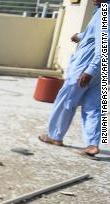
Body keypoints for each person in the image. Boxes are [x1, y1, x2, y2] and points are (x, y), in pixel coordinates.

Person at [39, 0, 106, 157]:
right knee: (93, 107)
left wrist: (90, 70)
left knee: (67, 101)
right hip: (102, 69)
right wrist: (80, 36)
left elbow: (105, 42)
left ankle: (55, 136)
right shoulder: (101, 12)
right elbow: (96, 34)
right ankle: (92, 144)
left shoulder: (105, 13)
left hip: (86, 68)